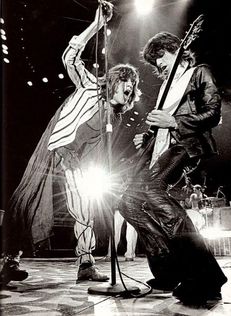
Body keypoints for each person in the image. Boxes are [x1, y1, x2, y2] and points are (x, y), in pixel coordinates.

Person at [1, 2, 141, 285]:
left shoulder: (111, 119)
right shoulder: (90, 86)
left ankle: (86, 263)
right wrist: (97, 24)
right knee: (27, 204)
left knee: (84, 208)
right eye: (126, 82)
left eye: (132, 88)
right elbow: (71, 57)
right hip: (55, 151)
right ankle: (9, 261)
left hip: (79, 162)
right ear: (113, 81)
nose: (129, 90)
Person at [119, 31, 227, 305]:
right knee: (128, 202)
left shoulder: (199, 72)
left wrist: (174, 123)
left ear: (175, 50)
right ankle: (167, 270)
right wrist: (148, 136)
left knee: (152, 191)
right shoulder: (169, 84)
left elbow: (213, 113)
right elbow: (163, 122)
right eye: (154, 62)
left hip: (187, 145)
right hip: (163, 147)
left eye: (161, 57)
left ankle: (207, 275)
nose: (158, 65)